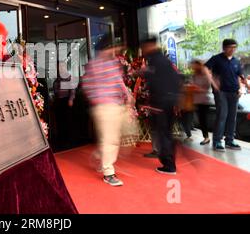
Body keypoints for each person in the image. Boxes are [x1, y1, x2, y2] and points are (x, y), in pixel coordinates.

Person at [81, 34, 133, 186]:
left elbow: (119, 81)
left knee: (115, 138)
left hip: (116, 105)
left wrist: (127, 95)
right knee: (110, 140)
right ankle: (108, 173)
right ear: (106, 48)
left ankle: (100, 155)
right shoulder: (94, 65)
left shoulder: (113, 63)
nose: (115, 51)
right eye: (114, 48)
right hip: (103, 107)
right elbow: (86, 84)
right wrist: (96, 99)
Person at [140, 37, 182, 175]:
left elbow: (157, 81)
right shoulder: (163, 60)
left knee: (164, 134)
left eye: (144, 47)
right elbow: (176, 79)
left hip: (161, 103)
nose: (143, 50)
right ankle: (169, 163)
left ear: (149, 45)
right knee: (166, 133)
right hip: (168, 101)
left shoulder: (156, 60)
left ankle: (169, 165)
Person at [205, 39, 250, 151]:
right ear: (224, 48)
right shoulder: (216, 59)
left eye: (235, 47)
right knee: (222, 116)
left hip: (234, 93)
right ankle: (217, 141)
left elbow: (240, 76)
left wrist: (242, 88)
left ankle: (230, 140)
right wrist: (213, 82)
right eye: (230, 47)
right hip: (221, 92)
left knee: (232, 117)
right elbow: (205, 68)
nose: (233, 49)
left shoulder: (236, 61)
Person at [190, 60, 215, 145]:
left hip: (205, 100)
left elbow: (207, 87)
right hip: (197, 100)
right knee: (201, 120)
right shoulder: (194, 75)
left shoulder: (206, 75)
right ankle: (206, 137)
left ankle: (207, 137)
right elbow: (191, 84)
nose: (193, 67)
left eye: (194, 65)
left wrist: (197, 89)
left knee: (203, 119)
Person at [52, 61, 76, 150]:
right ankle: (61, 141)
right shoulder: (57, 78)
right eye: (58, 67)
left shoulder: (69, 77)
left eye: (61, 67)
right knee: (60, 121)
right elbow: (55, 89)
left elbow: (73, 89)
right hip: (59, 101)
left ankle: (69, 141)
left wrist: (71, 99)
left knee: (67, 121)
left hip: (67, 101)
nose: (59, 68)